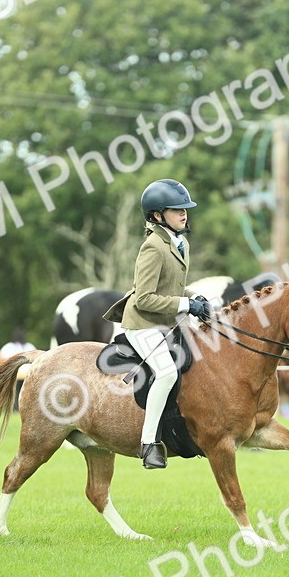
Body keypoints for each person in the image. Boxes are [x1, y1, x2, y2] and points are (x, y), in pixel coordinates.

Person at [102, 179, 211, 469]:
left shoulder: (179, 242)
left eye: (185, 209)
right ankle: (149, 443)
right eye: (177, 210)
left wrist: (196, 297)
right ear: (157, 215)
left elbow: (174, 288)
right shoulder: (152, 247)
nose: (184, 214)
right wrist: (187, 305)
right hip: (143, 325)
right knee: (166, 374)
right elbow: (144, 299)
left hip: (167, 323)